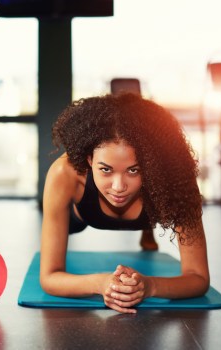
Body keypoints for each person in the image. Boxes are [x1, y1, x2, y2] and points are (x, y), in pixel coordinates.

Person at [39, 92, 209, 314]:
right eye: (105, 169)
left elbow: (199, 278)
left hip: (149, 208)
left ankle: (147, 228)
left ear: (150, 163)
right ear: (90, 160)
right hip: (82, 215)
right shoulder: (65, 173)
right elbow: (49, 277)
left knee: (155, 207)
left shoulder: (175, 180)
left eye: (133, 169)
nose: (118, 187)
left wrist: (150, 287)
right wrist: (100, 283)